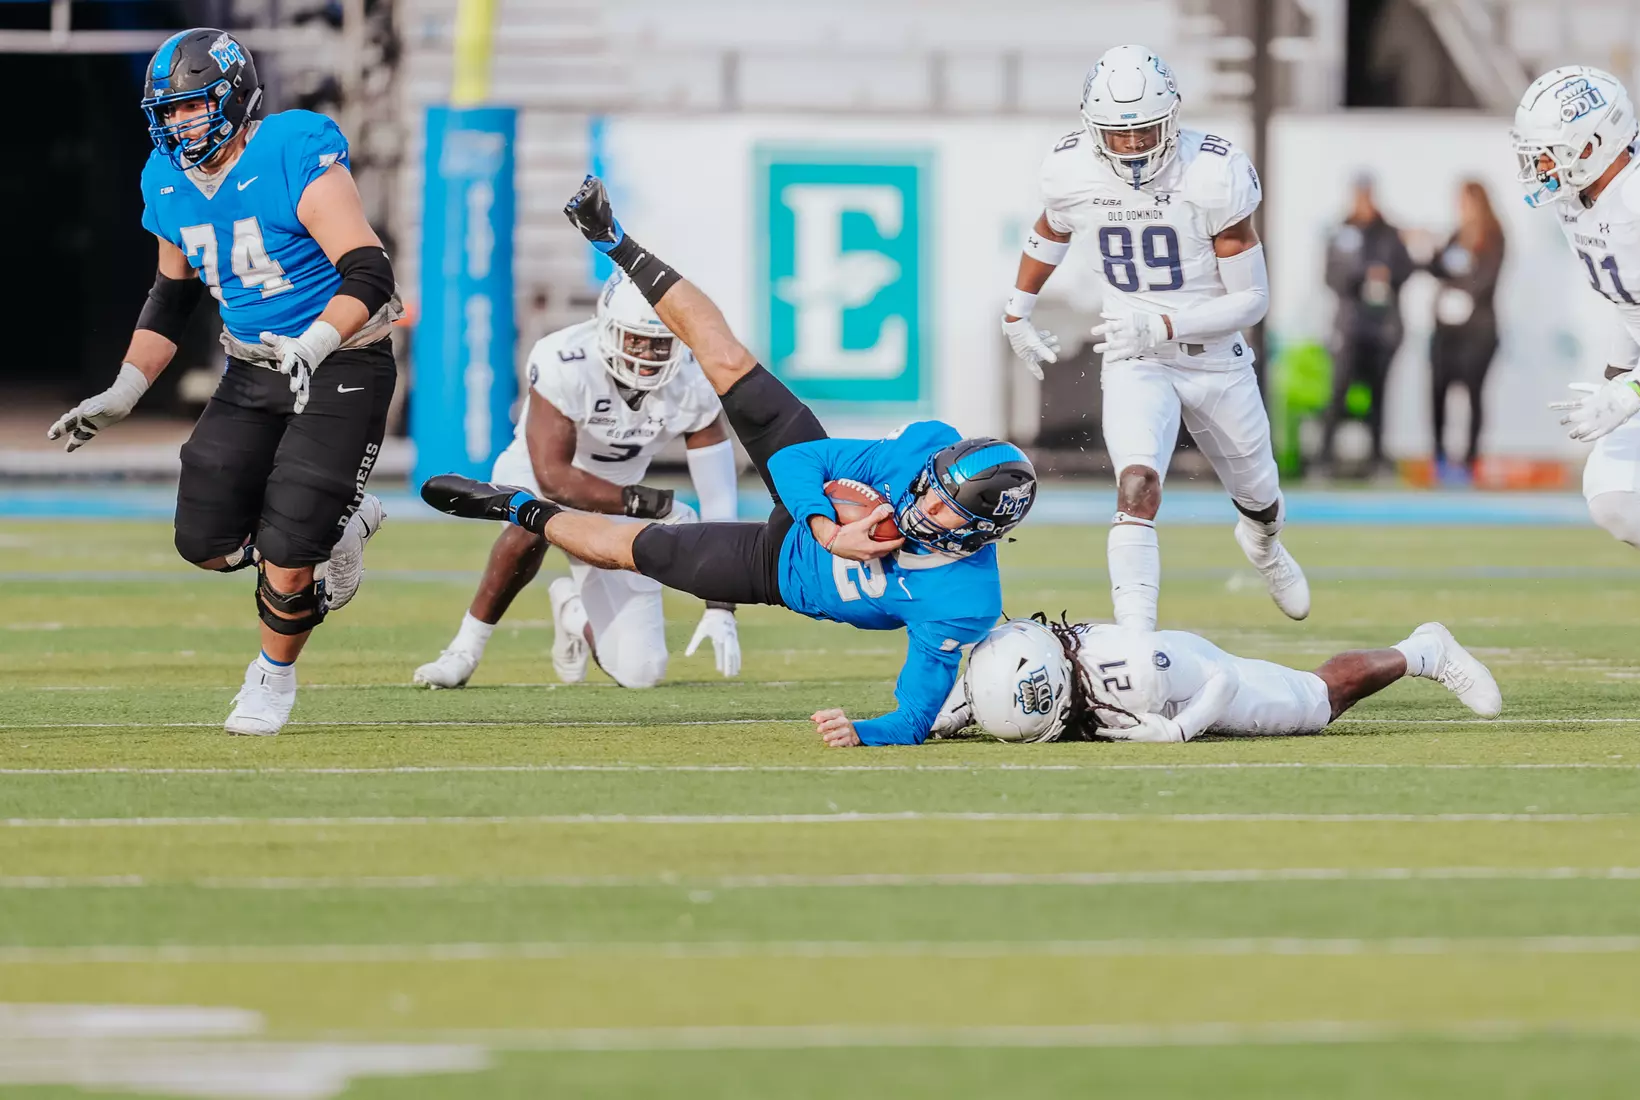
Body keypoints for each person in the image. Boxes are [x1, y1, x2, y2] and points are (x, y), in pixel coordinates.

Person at [423, 176, 1037, 747]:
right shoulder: (918, 454)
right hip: (815, 505)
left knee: (636, 548)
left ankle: (515, 506)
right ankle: (614, 239)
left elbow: (912, 716)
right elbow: (802, 459)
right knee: (725, 359)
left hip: (779, 572)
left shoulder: (964, 600)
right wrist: (828, 528)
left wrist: (864, 731)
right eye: (931, 487)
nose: (925, 502)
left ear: (981, 532)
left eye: (944, 508)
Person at [46, 29, 398, 735]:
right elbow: (172, 297)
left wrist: (317, 341)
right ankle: (340, 524)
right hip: (252, 367)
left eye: (190, 108)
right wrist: (124, 392)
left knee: (291, 549)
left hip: (341, 359)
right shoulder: (165, 177)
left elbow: (370, 272)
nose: (177, 125)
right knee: (203, 540)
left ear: (233, 97)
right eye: (166, 113)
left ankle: (272, 677)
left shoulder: (292, 147)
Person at [999, 44, 1307, 633]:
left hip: (1216, 358)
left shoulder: (1212, 172)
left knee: (1261, 499)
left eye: (1145, 131)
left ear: (1173, 118)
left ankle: (1265, 546)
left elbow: (1252, 301)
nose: (1135, 146)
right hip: (1135, 357)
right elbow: (1050, 229)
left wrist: (1163, 322)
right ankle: (1135, 640)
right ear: (1093, 130)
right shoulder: (1071, 171)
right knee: (1137, 483)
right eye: (1120, 134)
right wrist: (1017, 310)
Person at [413, 271, 742, 690]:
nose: (647, 354)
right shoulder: (564, 358)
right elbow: (555, 478)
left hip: (620, 503)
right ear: (606, 327)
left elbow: (719, 498)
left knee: (640, 672)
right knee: (529, 517)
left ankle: (574, 611)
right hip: (542, 478)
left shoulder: (695, 378)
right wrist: (654, 505)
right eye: (636, 340)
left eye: (660, 342)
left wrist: (720, 605)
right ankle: (465, 648)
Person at [936, 616, 1500, 744]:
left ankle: (1423, 651)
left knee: (1314, 699)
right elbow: (988, 681)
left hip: (1193, 674)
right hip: (1171, 666)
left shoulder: (1130, 673)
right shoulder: (1029, 656)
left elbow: (1223, 681)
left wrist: (1179, 731)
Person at [1519, 67, 1640, 553]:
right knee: (1614, 495)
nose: (1540, 166)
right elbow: (1634, 296)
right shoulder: (1578, 200)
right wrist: (1618, 373)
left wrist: (1635, 388)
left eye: (1548, 152)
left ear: (1593, 144)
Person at [1319, 173, 1415, 475]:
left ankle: (1377, 459)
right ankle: (1324, 458)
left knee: (1379, 395)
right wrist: (1361, 277)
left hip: (1382, 327)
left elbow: (1406, 268)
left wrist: (1386, 274)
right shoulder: (1341, 230)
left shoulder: (1389, 232)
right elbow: (1330, 276)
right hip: (1350, 326)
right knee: (1338, 391)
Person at [1425, 181, 1504, 484]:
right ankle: (1440, 458)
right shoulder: (1456, 235)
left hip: (1478, 329)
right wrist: (1430, 249)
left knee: (1473, 392)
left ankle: (1471, 461)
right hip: (1447, 330)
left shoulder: (1493, 236)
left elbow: (1486, 278)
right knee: (1437, 390)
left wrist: (1462, 293)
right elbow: (1438, 268)